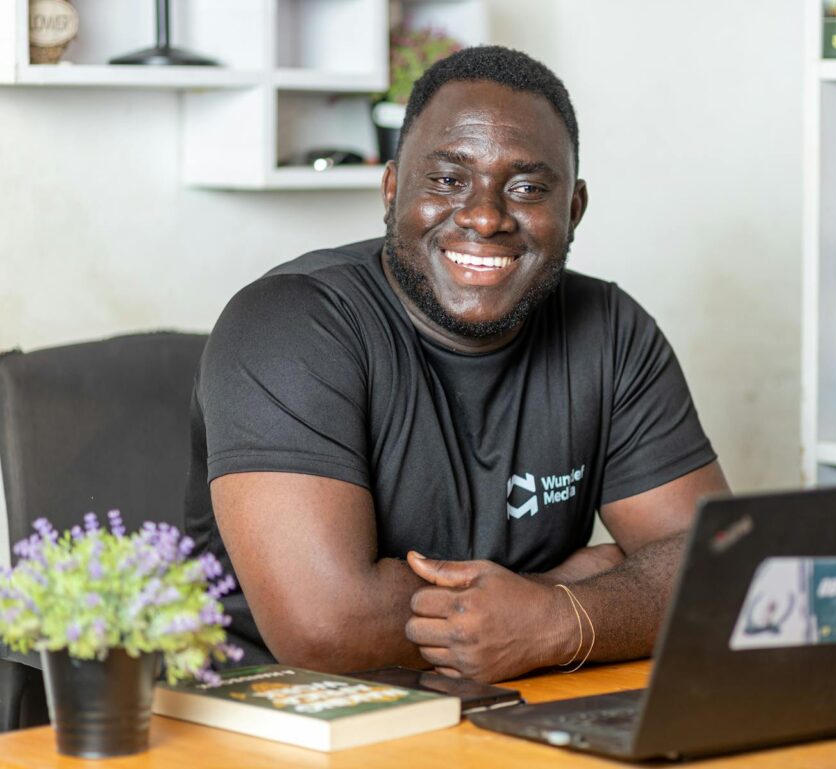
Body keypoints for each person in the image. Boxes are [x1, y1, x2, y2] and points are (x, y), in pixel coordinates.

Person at [185, 45, 729, 683]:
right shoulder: (287, 324)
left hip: (514, 707)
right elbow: (326, 628)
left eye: (526, 188)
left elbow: (719, 570)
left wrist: (554, 621)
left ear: (574, 210)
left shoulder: (612, 330)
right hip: (282, 719)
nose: (484, 217)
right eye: (447, 180)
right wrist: (566, 594)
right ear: (392, 190)